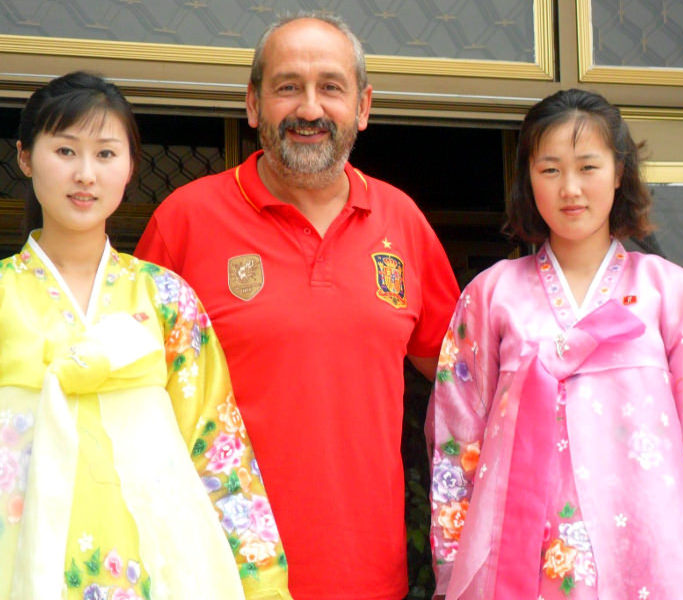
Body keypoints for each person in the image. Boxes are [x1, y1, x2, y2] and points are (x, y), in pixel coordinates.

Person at [0, 71, 290, 600]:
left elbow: (219, 452)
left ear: (130, 167)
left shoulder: (167, 301)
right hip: (3, 568)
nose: (85, 175)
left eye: (105, 154)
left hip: (156, 572)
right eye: (66, 151)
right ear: (26, 158)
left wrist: (263, 586)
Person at [135, 13, 460, 600]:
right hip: (214, 571)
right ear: (253, 104)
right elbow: (129, 398)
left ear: (362, 106)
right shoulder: (185, 220)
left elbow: (472, 385)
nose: (310, 108)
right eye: (288, 86)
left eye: (330, 87)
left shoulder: (403, 223)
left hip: (367, 578)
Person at [426, 88, 683, 599]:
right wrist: (452, 569)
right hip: (520, 566)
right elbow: (457, 444)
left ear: (619, 171)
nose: (571, 189)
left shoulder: (666, 291)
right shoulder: (491, 295)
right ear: (528, 179)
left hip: (652, 558)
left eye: (588, 167)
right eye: (550, 170)